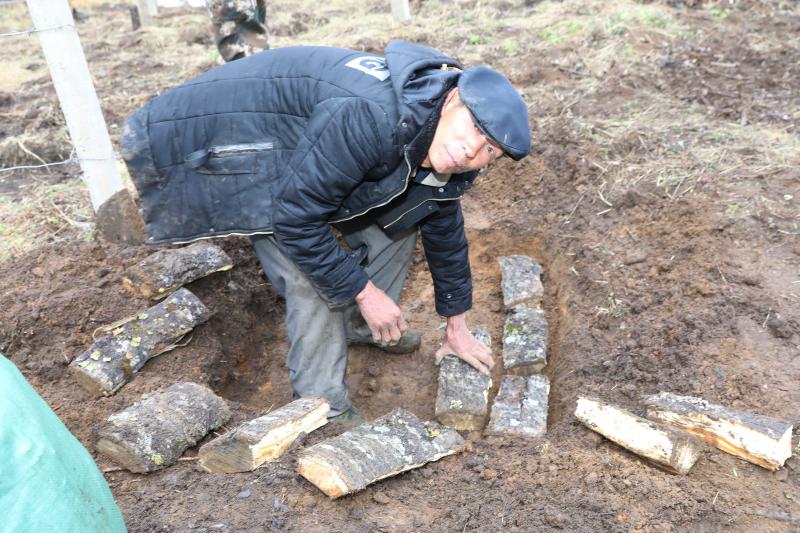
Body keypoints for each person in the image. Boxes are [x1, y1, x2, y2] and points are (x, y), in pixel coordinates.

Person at [121, 41, 531, 421]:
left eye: (490, 150)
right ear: (453, 101)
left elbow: (443, 228)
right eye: (475, 129)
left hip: (310, 149)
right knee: (310, 274)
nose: (472, 151)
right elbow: (297, 220)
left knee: (403, 221)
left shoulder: (446, 145)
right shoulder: (370, 117)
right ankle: (323, 408)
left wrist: (457, 327)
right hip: (230, 140)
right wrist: (367, 293)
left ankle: (358, 325)